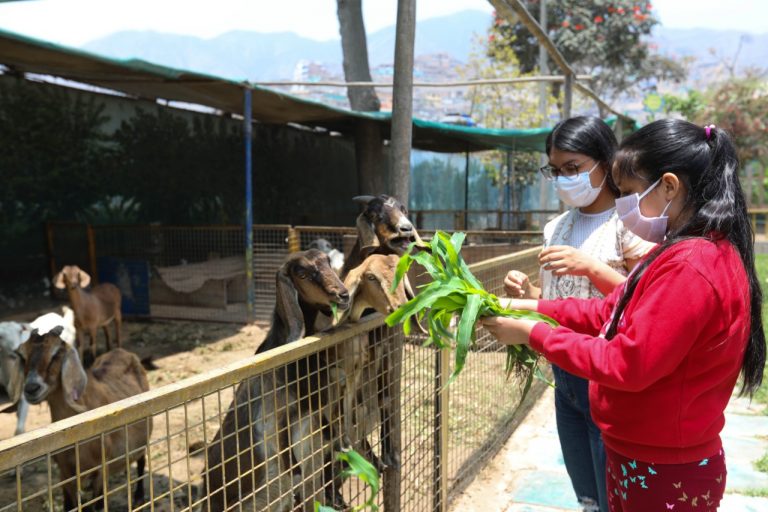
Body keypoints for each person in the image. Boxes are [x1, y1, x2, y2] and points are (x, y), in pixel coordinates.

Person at [483, 119, 766, 512]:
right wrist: (529, 308)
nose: (625, 205)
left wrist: (534, 335)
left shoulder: (691, 264)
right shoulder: (687, 250)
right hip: (653, 455)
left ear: (669, 186)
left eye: (631, 192)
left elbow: (628, 361)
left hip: (662, 468)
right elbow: (611, 310)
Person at [504, 116, 653, 512]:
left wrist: (590, 266)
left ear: (606, 162)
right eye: (555, 170)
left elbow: (644, 302)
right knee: (586, 495)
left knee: (611, 496)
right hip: (564, 376)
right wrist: (528, 295)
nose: (563, 178)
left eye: (573, 168)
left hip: (606, 377)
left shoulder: (632, 224)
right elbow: (557, 301)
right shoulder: (556, 227)